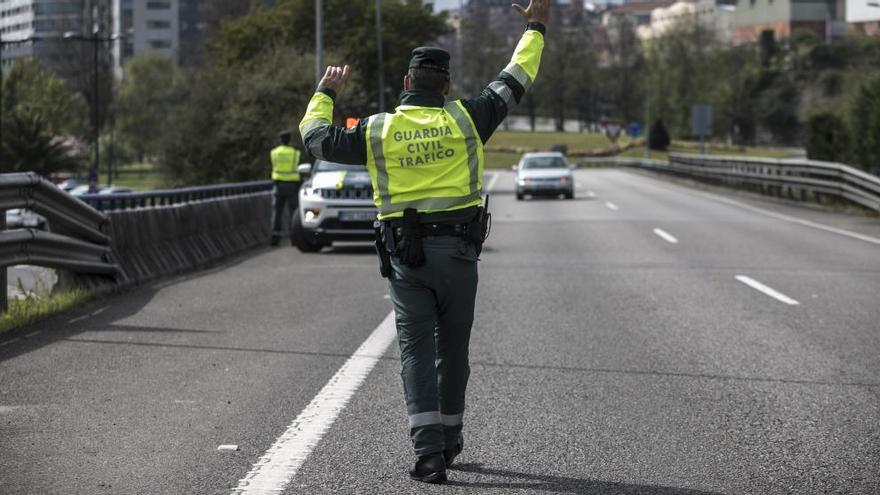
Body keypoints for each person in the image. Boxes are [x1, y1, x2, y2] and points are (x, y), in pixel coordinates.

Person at [299, 0, 549, 484]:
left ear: (408, 84)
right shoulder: (469, 118)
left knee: (414, 350)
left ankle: (429, 454)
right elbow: (517, 75)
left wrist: (324, 91)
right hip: (459, 255)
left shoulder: (376, 130)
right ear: (448, 86)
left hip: (406, 258)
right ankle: (452, 438)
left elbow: (314, 138)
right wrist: (535, 26)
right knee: (453, 350)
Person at [269, 130, 302, 246]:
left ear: (280, 139)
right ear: (289, 139)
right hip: (292, 185)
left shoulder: (274, 153)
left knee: (277, 213)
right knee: (293, 213)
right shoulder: (295, 153)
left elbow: (274, 166)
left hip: (278, 185)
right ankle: (294, 238)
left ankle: (275, 238)